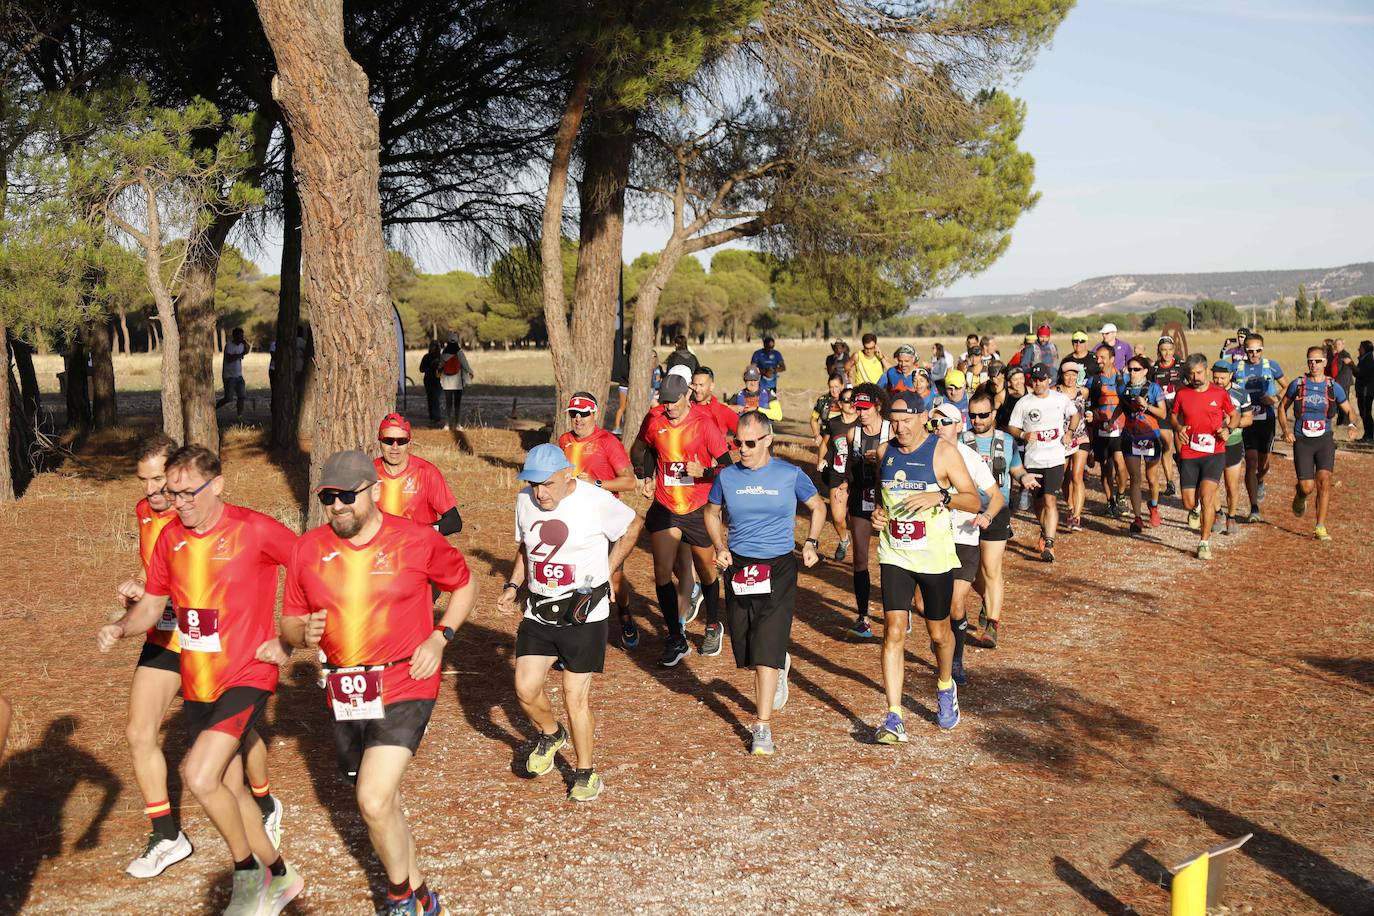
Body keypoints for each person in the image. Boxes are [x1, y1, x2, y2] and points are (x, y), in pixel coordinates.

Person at [97, 446, 302, 915]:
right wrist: (121, 627)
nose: (180, 502)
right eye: (174, 493)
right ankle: (283, 877)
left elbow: (309, 566)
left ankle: (248, 875)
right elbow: (153, 604)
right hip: (198, 677)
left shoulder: (254, 529)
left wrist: (290, 638)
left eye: (189, 492)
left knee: (198, 774)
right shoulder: (170, 537)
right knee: (228, 788)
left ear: (219, 485)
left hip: (249, 671)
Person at [269, 451, 475, 915]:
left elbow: (464, 585)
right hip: (345, 691)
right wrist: (303, 634)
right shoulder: (308, 549)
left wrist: (440, 638)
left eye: (346, 495)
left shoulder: (417, 540)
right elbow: (291, 625)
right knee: (384, 804)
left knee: (373, 796)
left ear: (374, 491)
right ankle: (423, 894)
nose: (337, 505)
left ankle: (400, 898)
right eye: (328, 498)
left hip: (407, 680)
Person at [498, 444, 644, 801]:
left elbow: (634, 523)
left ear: (568, 475)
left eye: (547, 484)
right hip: (538, 610)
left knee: (573, 696)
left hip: (583, 613)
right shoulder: (525, 501)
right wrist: (513, 585)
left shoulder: (595, 501)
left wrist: (609, 570)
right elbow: (526, 548)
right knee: (525, 688)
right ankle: (551, 734)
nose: (540, 493)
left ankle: (585, 772)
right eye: (533, 485)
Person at [705, 412, 826, 756]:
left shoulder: (789, 474)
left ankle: (762, 726)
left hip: (779, 567)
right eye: (737, 443)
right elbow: (711, 513)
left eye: (750, 443)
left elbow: (817, 507)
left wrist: (812, 542)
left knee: (766, 646)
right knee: (746, 647)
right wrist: (720, 547)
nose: (742, 449)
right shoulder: (727, 477)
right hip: (740, 567)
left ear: (768, 440)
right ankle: (777, 663)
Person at [869, 395, 982, 740]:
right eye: (894, 422)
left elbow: (974, 499)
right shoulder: (885, 452)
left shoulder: (943, 452)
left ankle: (945, 686)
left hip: (933, 557)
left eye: (905, 421)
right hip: (895, 553)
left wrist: (942, 497)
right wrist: (878, 514)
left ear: (921, 418)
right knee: (893, 629)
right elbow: (882, 496)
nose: (899, 428)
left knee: (938, 633)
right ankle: (893, 715)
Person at [631, 374, 732, 665]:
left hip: (698, 507)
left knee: (707, 571)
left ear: (687, 396)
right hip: (665, 504)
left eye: (673, 401)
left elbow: (727, 467)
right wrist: (644, 475)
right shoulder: (655, 421)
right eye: (664, 401)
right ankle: (676, 637)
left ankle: (713, 623)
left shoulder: (703, 424)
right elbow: (641, 449)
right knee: (662, 572)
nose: (668, 407)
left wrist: (704, 472)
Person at [930, 403, 1004, 687]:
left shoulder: (971, 458)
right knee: (923, 604)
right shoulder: (925, 454)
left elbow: (996, 496)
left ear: (959, 425)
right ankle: (946, 636)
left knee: (955, 602)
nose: (939, 428)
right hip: (933, 539)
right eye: (934, 423)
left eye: (945, 422)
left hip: (963, 538)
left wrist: (986, 515)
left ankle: (957, 657)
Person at [558, 392, 639, 647]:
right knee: (574, 575)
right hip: (574, 517)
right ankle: (577, 633)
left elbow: (629, 482)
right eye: (573, 414)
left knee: (612, 577)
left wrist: (597, 483)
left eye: (583, 413)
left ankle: (624, 613)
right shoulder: (564, 441)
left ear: (595, 413)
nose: (578, 419)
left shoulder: (608, 441)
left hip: (605, 518)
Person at [962, 390, 1037, 650]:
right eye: (973, 415)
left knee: (991, 568)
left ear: (993, 414)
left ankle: (992, 625)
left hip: (996, 511)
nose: (978, 420)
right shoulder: (959, 441)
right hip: (965, 514)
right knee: (971, 573)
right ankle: (987, 598)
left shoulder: (1006, 440)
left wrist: (1024, 477)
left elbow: (1014, 466)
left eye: (983, 415)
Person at [1278, 346, 1357, 541]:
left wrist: (1353, 424)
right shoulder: (1298, 384)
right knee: (1307, 486)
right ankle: (1300, 496)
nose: (1313, 365)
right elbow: (1282, 407)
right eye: (1310, 361)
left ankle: (1320, 526)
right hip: (1303, 439)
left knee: (1325, 481)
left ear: (1325, 363)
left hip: (1324, 439)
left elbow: (1348, 409)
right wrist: (1286, 431)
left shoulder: (1333, 386)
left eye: (1317, 361)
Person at [1007, 364, 1079, 562]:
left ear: (1049, 380)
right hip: (1033, 459)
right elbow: (1012, 426)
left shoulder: (1060, 399)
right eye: (1035, 380)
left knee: (1050, 500)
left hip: (1055, 458)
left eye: (1042, 379)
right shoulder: (1024, 403)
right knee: (1038, 503)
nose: (1038, 383)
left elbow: (1075, 414)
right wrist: (1023, 434)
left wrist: (1070, 433)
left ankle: (1050, 543)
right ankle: (1044, 528)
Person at [1171, 353, 1238, 559]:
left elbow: (1234, 415)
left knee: (1208, 497)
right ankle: (1195, 509)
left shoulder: (1219, 394)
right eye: (1191, 374)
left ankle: (1204, 542)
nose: (1195, 377)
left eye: (1199, 372)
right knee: (1189, 502)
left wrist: (1228, 429)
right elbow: (1173, 415)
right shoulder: (1182, 394)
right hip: (1190, 453)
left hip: (1214, 452)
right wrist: (1179, 427)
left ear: (1206, 371)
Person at [842, 385, 890, 639]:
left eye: (865, 408)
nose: (861, 413)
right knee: (860, 558)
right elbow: (850, 466)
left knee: (894, 557)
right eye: (857, 408)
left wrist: (883, 458)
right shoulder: (853, 434)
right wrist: (844, 484)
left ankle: (898, 612)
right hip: (862, 497)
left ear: (878, 406)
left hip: (890, 499)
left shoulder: (892, 430)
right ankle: (863, 617)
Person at [374, 414, 463, 536]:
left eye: (401, 441)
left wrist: (418, 532)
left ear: (409, 443)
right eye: (388, 441)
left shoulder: (426, 472)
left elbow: (454, 522)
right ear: (380, 441)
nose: (395, 447)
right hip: (382, 551)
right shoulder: (368, 473)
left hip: (420, 550)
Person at [1232, 332, 1286, 522]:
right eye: (1250, 351)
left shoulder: (1271, 366)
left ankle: (1260, 479)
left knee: (1263, 463)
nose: (1254, 354)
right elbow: (1223, 385)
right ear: (1244, 351)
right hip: (1246, 420)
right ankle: (1254, 507)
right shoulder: (1236, 367)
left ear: (1262, 349)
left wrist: (1275, 398)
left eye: (1258, 350)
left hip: (1266, 420)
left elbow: (1287, 386)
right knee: (1251, 462)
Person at [1112, 356, 1167, 533]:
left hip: (1151, 436)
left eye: (1136, 369)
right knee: (1135, 479)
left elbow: (1163, 414)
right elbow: (1121, 405)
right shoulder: (1124, 388)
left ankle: (1154, 506)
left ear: (1144, 371)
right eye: (1130, 369)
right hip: (1130, 436)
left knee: (1151, 478)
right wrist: (1112, 420)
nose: (1132, 373)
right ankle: (1137, 518)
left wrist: (1146, 405)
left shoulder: (1153, 388)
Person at [1211, 360, 1253, 536]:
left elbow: (1248, 419)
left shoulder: (1241, 393)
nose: (1219, 381)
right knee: (1212, 483)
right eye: (1215, 377)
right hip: (1212, 444)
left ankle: (1232, 516)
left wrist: (1230, 427)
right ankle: (1218, 514)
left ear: (1230, 376)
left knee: (1232, 485)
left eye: (1222, 377)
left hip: (1233, 443)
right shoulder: (1207, 392)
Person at [816, 387, 859, 562]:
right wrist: (821, 459)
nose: (851, 404)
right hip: (837, 473)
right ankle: (843, 540)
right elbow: (825, 444)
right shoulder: (833, 423)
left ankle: (860, 550)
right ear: (840, 404)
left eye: (853, 400)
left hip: (858, 474)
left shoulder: (862, 423)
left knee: (857, 517)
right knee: (837, 517)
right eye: (847, 400)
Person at [1088, 344, 1129, 518]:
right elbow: (1089, 405)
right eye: (1097, 357)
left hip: (1120, 429)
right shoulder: (1094, 380)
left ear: (1112, 359)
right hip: (1100, 430)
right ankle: (1110, 501)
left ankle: (1121, 495)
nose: (1099, 361)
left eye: (1103, 357)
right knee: (1105, 468)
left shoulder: (1123, 378)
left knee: (1120, 464)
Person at [1057, 359, 1090, 531]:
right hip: (1061, 440)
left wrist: (1091, 414)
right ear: (1062, 375)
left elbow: (1088, 409)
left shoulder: (1083, 392)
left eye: (1074, 375)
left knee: (1077, 475)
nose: (1070, 378)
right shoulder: (1054, 392)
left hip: (1081, 437)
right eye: (1067, 374)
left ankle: (1077, 516)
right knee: (1063, 477)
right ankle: (1070, 506)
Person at [1149, 335, 1185, 494]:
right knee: (1167, 444)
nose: (1167, 353)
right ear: (1159, 351)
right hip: (1162, 411)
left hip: (1179, 411)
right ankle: (1170, 482)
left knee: (1181, 447)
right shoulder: (1154, 369)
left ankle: (1184, 472)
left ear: (1174, 350)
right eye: (1163, 350)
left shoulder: (1181, 366)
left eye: (1170, 350)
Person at [438, 334, 474, 430]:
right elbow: (465, 365)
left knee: (448, 404)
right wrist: (471, 372)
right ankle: (458, 424)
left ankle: (447, 424)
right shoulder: (459, 353)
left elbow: (440, 366)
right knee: (457, 404)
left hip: (446, 383)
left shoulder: (444, 353)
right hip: (458, 383)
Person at [215, 327, 249, 417]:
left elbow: (246, 351)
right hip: (229, 376)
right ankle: (214, 409)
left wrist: (246, 345)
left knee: (242, 396)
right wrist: (240, 355)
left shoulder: (241, 345)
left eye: (242, 336)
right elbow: (230, 359)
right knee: (228, 398)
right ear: (235, 336)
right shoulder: (229, 346)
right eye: (240, 336)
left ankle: (239, 416)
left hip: (238, 375)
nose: (242, 338)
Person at [810, 373, 847, 445]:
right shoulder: (822, 401)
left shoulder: (848, 401)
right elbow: (813, 420)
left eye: (836, 387)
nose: (834, 390)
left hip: (844, 440)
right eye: (831, 387)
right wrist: (817, 435)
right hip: (826, 439)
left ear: (842, 386)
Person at [418, 341, 444, 428]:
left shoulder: (441, 357)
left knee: (435, 398)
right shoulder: (426, 357)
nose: (433, 348)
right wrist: (429, 368)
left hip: (438, 381)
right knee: (430, 399)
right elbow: (421, 369)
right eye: (432, 346)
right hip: (428, 380)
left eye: (435, 346)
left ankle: (437, 418)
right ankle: (432, 417)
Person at [1356, 340, 1374, 443]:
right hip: (1363, 390)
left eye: (1360, 348)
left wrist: (1351, 365)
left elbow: (1361, 374)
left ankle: (1369, 436)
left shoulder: (1368, 360)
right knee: (1364, 413)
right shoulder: (1364, 359)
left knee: (1366, 413)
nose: (1358, 349)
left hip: (1366, 390)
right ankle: (1367, 435)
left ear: (1365, 349)